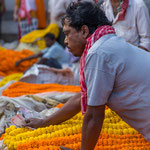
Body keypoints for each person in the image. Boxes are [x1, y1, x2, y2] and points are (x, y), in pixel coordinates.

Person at [25, 2, 150, 150]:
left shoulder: (99, 52)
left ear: (84, 31)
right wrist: (44, 122)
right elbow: (83, 97)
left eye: (67, 33)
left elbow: (94, 116)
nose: (65, 41)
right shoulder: (109, 44)